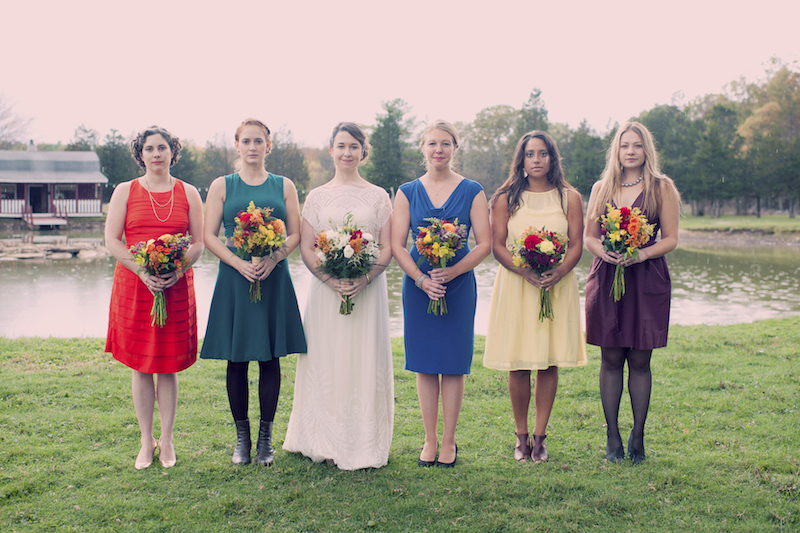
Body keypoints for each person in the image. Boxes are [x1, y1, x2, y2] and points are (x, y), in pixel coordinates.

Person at [283, 122, 394, 470]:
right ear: (331, 150)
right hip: (326, 291)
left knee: (362, 356)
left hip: (368, 289)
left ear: (364, 151)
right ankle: (319, 437)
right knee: (326, 357)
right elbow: (306, 245)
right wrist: (330, 279)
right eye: (341, 146)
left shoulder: (378, 196)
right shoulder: (316, 196)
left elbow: (388, 245)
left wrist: (365, 278)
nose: (347, 152)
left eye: (354, 146)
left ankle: (363, 441)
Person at [200, 118, 306, 466]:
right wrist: (238, 262)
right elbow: (209, 236)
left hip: (272, 277)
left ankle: (266, 441)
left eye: (258, 141)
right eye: (246, 141)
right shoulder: (222, 185)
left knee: (269, 357)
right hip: (235, 279)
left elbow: (294, 234)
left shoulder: (284, 185)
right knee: (237, 359)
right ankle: (242, 440)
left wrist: (274, 259)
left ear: (267, 146)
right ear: (237, 145)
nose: (252, 147)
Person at [483, 131, 588, 463]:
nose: (537, 159)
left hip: (556, 285)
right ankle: (521, 437)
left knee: (548, 359)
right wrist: (523, 270)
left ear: (553, 158)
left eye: (543, 154)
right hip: (517, 285)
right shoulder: (505, 198)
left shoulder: (569, 197)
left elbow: (576, 244)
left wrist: (558, 271)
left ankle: (541, 438)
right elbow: (497, 245)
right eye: (531, 154)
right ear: (522, 160)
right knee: (519, 361)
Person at [391, 120, 490, 467]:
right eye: (432, 143)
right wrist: (421, 279)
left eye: (446, 144)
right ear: (422, 148)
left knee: (452, 364)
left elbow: (485, 243)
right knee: (425, 365)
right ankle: (429, 438)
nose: (439, 150)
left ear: (455, 148)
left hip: (458, 285)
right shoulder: (406, 191)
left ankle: (449, 441)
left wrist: (453, 271)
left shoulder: (473, 190)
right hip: (419, 287)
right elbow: (397, 245)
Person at [105, 125, 205, 470]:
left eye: (162, 147)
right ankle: (146, 441)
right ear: (141, 154)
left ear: (172, 152)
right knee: (141, 365)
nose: (157, 154)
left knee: (168, 366)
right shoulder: (125, 190)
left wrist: (176, 272)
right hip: (135, 285)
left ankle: (168, 439)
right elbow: (112, 240)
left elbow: (198, 243)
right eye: (149, 149)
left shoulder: (189, 192)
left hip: (175, 286)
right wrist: (142, 271)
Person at [584, 121, 681, 464]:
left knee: (640, 360)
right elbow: (589, 237)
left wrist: (641, 252)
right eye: (625, 145)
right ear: (616, 150)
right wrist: (604, 252)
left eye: (637, 146)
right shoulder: (601, 187)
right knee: (610, 359)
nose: (630, 151)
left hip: (646, 279)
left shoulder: (661, 188)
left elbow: (670, 238)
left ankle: (637, 436)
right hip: (607, 276)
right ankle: (612, 436)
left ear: (646, 150)